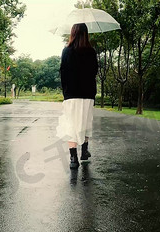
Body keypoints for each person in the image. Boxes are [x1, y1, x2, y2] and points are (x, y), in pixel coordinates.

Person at [56, 23, 98, 169]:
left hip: (71, 94)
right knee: (86, 121)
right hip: (87, 93)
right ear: (86, 34)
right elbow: (94, 72)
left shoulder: (66, 51)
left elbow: (63, 72)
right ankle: (84, 152)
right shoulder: (91, 51)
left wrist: (65, 91)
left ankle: (73, 158)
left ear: (72, 33)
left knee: (71, 124)